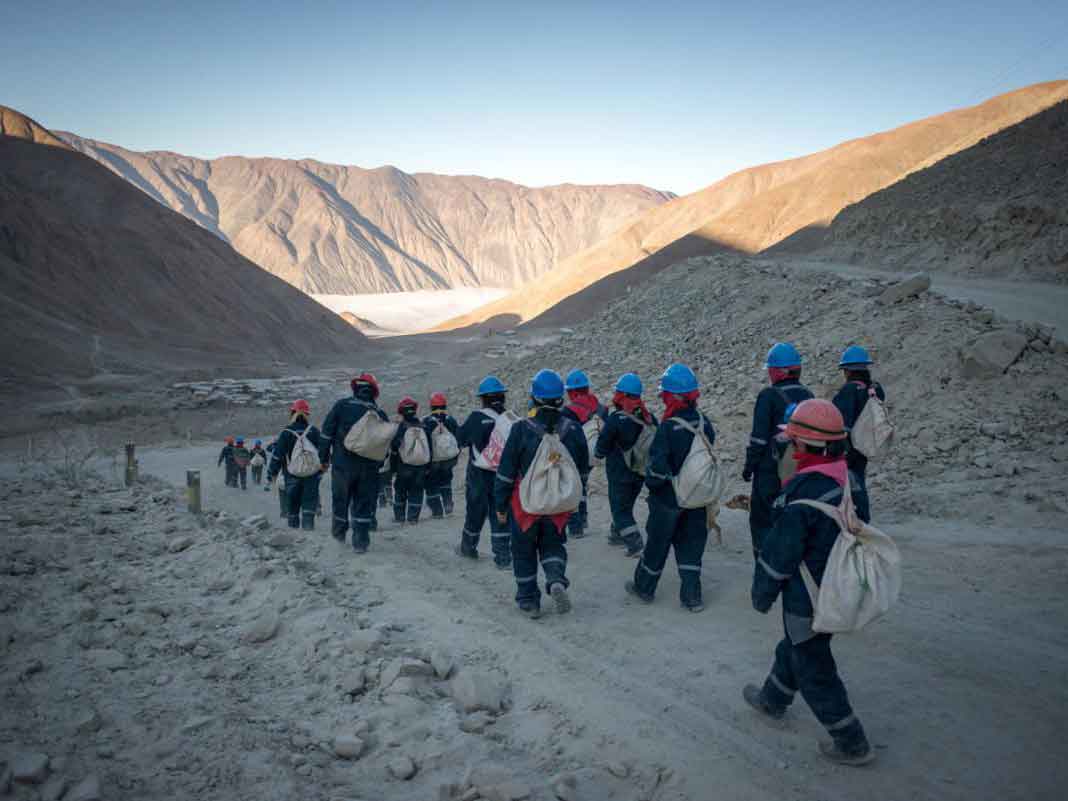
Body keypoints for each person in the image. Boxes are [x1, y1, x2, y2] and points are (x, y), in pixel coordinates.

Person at [743, 399, 875, 766]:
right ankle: (773, 699)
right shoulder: (850, 478)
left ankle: (851, 740)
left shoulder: (799, 496)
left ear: (806, 447)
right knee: (799, 643)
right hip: (839, 585)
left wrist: (761, 594)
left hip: (809, 594)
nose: (790, 447)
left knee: (812, 663)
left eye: (794, 442)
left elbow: (778, 555)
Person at [494, 369, 590, 618]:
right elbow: (582, 471)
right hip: (558, 505)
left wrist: (501, 506)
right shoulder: (573, 429)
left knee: (523, 552)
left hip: (525, 506)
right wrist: (577, 504)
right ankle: (556, 578)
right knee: (553, 544)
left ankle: (529, 601)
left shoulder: (521, 429)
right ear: (561, 398)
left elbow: (505, 473)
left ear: (534, 397)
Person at [625, 363, 716, 612]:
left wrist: (653, 485)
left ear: (671, 396)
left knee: (657, 544)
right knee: (692, 545)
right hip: (697, 496)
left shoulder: (667, 427)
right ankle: (692, 596)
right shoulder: (704, 422)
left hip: (669, 499)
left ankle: (644, 587)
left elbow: (657, 469)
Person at [742, 343, 814, 559]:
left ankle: (766, 568)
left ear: (777, 371)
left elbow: (758, 439)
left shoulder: (768, 396)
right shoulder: (809, 395)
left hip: (770, 472)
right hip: (801, 470)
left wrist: (749, 467)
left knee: (762, 520)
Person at [320, 373, 389, 553]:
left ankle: (339, 537)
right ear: (374, 392)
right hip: (369, 469)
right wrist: (378, 464)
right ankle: (361, 543)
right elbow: (385, 446)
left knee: (340, 501)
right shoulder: (380, 414)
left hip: (343, 465)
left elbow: (326, 433)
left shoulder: (341, 406)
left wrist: (323, 459)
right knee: (363, 504)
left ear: (355, 388)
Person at [595, 373, 657, 557]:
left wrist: (598, 454)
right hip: (640, 472)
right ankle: (617, 535)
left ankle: (635, 543)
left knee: (619, 508)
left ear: (621, 395)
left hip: (619, 474)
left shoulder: (616, 419)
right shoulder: (649, 418)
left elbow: (602, 447)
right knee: (626, 505)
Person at [456, 376, 513, 568]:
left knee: (475, 512)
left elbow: (460, 440)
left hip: (479, 475)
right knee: (501, 514)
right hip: (504, 476)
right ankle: (503, 557)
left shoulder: (476, 417)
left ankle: (468, 547)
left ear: (483, 398)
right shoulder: (511, 418)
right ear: (502, 397)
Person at [831, 345, 886, 522]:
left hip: (849, 446)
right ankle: (859, 516)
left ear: (847, 371)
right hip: (865, 442)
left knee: (849, 482)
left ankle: (857, 518)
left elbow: (841, 423)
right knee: (858, 479)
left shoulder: (848, 391)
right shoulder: (875, 388)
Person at [560, 369, 607, 538]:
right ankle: (584, 518)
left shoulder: (567, 412)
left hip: (574, 454)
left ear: (571, 392)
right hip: (594, 455)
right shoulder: (602, 408)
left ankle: (575, 527)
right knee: (583, 486)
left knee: (572, 488)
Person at [264, 400, 324, 530]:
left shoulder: (286, 432)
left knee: (293, 508)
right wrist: (320, 472)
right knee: (309, 507)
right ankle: (308, 532)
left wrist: (271, 473)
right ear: (307, 414)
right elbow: (324, 454)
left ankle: (295, 537)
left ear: (292, 413)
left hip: (291, 476)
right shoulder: (314, 431)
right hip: (311, 476)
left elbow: (277, 456)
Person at [390, 397, 433, 524]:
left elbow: (394, 447)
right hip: (421, 466)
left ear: (401, 412)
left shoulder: (402, 427)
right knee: (417, 492)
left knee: (400, 491)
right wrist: (428, 467)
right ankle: (413, 518)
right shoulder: (424, 426)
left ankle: (399, 518)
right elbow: (430, 449)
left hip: (404, 466)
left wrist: (393, 468)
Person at [424, 392, 460, 518]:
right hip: (449, 460)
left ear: (431, 406)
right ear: (445, 405)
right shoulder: (451, 421)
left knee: (431, 484)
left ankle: (437, 511)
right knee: (446, 481)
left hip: (433, 461)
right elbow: (458, 439)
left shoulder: (427, 422)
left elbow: (425, 443)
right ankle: (448, 505)